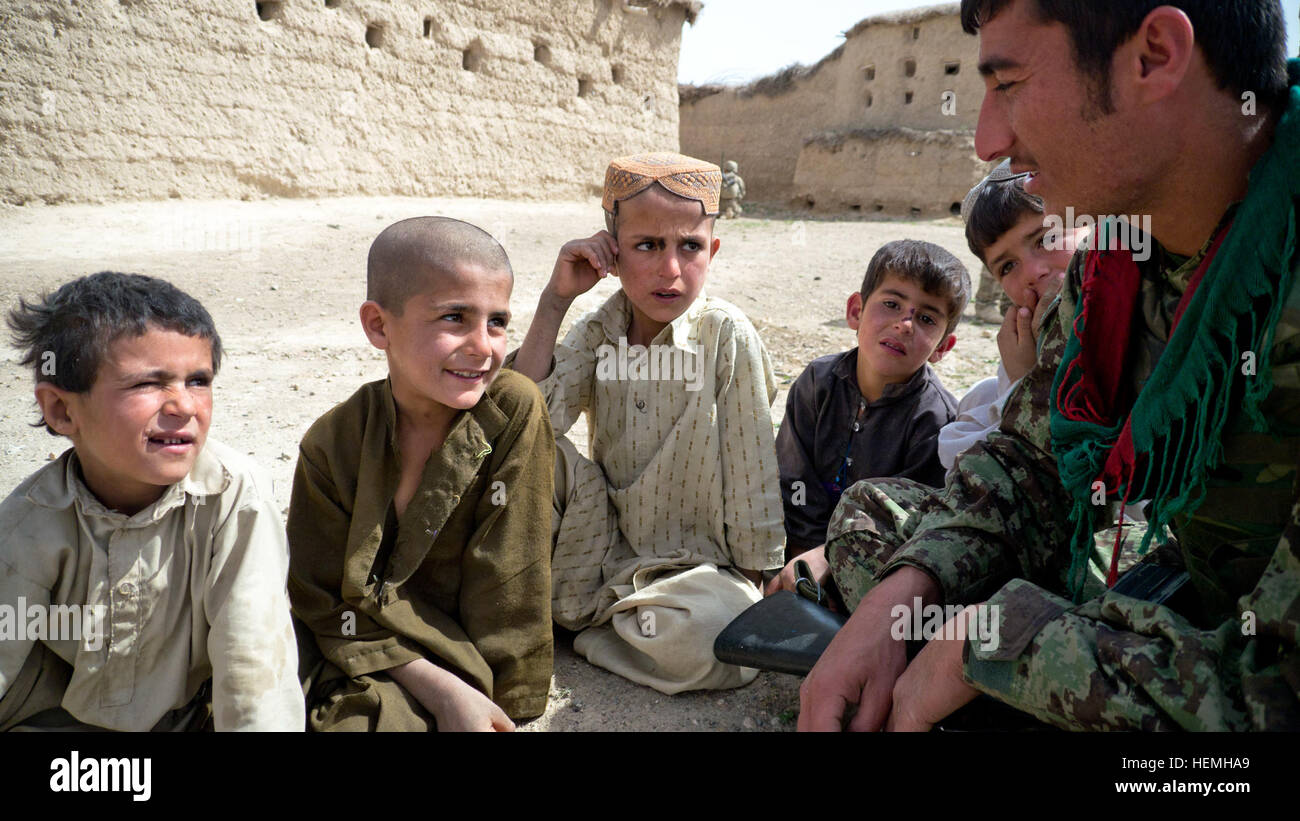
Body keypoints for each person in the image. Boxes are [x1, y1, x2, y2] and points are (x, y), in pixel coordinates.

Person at [798, 0, 1300, 731]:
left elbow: (1277, 696)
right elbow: (1032, 463)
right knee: (881, 520)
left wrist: (994, 642)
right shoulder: (1115, 264)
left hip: (1234, 664)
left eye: (1009, 83)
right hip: (1170, 606)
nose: (988, 139)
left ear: (1154, 56)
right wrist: (900, 596)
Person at [509, 152, 785, 694]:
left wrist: (757, 577)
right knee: (525, 456)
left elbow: (752, 460)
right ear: (611, 252)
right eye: (647, 246)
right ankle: (609, 617)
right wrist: (554, 300)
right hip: (603, 540)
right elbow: (530, 418)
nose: (671, 270)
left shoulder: (725, 336)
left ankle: (584, 629)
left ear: (714, 251)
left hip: (696, 570)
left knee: (721, 639)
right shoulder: (599, 330)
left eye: (690, 246)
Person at [0, 272, 303, 731]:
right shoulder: (32, 520)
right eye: (148, 384)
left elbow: (253, 663)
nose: (184, 406)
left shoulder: (233, 498)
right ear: (62, 410)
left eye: (197, 380)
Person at [288, 217, 554, 732]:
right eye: (455, 317)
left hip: (465, 651)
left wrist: (500, 703)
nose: (483, 346)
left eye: (497, 322)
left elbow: (510, 577)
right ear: (379, 325)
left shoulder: (511, 410)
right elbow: (320, 601)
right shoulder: (332, 445)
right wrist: (441, 690)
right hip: (364, 644)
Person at [776, 240, 967, 558]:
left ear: (943, 347)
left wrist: (828, 562)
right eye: (892, 304)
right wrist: (800, 558)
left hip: (870, 564)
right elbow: (794, 479)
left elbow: (904, 522)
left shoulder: (937, 421)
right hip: (795, 545)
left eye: (926, 319)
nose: (904, 325)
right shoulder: (818, 381)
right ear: (856, 311)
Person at [937, 159, 1077, 472]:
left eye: (1046, 239)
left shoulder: (1136, 317)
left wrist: (1026, 386)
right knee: (981, 396)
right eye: (1008, 267)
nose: (1033, 272)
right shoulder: (1034, 341)